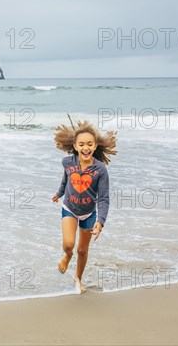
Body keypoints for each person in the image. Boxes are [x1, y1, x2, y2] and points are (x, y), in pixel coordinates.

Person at [52, 119, 117, 292]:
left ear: (95, 146)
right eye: (81, 144)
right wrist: (59, 194)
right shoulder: (68, 163)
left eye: (89, 144)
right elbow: (66, 180)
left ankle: (78, 278)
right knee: (68, 244)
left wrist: (100, 221)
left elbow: (103, 198)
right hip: (70, 209)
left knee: (82, 250)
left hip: (89, 214)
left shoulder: (100, 170)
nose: (85, 147)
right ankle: (67, 256)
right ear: (75, 146)